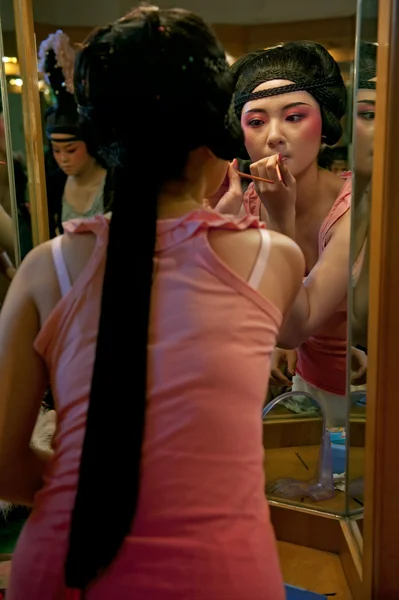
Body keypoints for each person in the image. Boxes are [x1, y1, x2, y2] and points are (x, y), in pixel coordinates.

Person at [0, 6, 304, 599]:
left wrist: (101, 486)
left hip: (63, 567)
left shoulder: (47, 270)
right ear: (209, 143)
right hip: (221, 574)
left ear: (101, 140)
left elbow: (5, 463)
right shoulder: (273, 259)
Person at [215, 41, 366, 423]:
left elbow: (292, 330)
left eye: (295, 117)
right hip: (302, 398)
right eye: (256, 121)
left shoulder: (359, 207)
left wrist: (280, 222)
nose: (274, 136)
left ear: (327, 122)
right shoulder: (248, 201)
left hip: (363, 400)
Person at [38, 30, 114, 237]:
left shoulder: (114, 182)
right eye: (56, 150)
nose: (63, 159)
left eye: (71, 150)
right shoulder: (54, 184)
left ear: (88, 143)